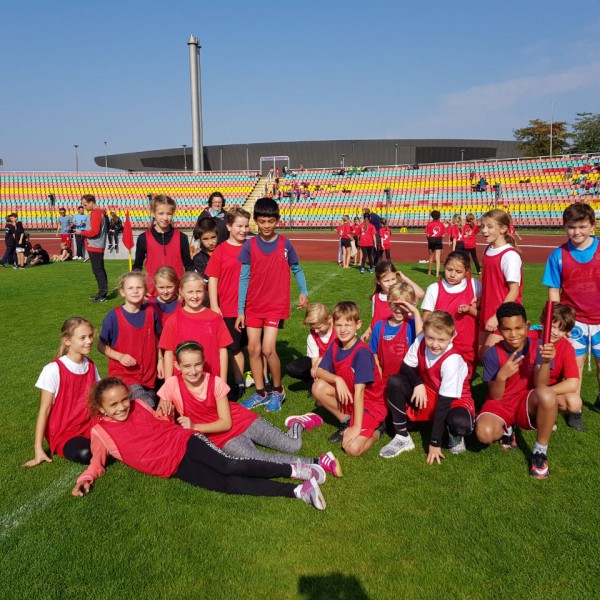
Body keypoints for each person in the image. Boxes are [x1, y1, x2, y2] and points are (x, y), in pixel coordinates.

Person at [71, 378, 327, 510]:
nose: (121, 407)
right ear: (100, 408)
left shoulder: (139, 405)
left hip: (184, 441)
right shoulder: (100, 432)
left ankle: (298, 470)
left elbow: (161, 423)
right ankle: (299, 491)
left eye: (123, 400)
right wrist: (86, 478)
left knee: (228, 465)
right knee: (226, 485)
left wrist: (168, 413)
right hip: (172, 467)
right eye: (113, 405)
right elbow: (96, 463)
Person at [157, 341, 341, 477]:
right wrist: (164, 406)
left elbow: (225, 422)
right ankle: (318, 462)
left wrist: (194, 427)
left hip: (239, 420)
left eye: (197, 364)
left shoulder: (215, 383)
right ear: (177, 366)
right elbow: (160, 414)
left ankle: (297, 424)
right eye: (187, 366)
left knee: (293, 446)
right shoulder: (172, 384)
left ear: (203, 361)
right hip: (222, 438)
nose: (193, 371)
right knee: (258, 458)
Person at [235, 197, 309, 412]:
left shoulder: (285, 244)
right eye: (262, 221)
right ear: (256, 221)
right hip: (253, 305)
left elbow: (297, 268)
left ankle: (277, 390)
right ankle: (261, 393)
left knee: (268, 349)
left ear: (277, 220)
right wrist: (240, 310)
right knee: (252, 348)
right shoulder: (249, 245)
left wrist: (303, 291)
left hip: (275, 305)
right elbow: (244, 278)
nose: (266, 225)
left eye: (270, 221)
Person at [475, 302, 558, 479]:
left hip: (526, 401)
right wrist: (502, 376)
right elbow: (495, 396)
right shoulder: (492, 353)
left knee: (548, 395)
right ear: (499, 330)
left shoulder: (541, 346)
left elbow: (541, 385)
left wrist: (544, 362)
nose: (513, 334)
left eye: (518, 328)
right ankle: (508, 429)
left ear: (527, 326)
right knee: (484, 434)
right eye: (507, 329)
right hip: (501, 403)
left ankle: (540, 453)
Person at [382, 311, 475, 461]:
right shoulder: (421, 340)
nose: (435, 344)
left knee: (460, 424)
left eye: (441, 340)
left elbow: (444, 402)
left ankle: (454, 434)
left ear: (452, 336)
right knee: (395, 381)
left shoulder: (452, 360)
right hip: (430, 391)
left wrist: (434, 442)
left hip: (455, 400)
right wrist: (418, 383)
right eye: (430, 338)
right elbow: (405, 366)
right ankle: (402, 437)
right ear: (424, 332)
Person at [542, 202, 600, 417]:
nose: (577, 232)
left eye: (582, 226)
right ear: (564, 226)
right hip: (574, 322)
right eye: (571, 227)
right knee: (575, 366)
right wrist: (559, 323)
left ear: (592, 226)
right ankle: (575, 409)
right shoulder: (557, 255)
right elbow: (554, 291)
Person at [312, 301, 387, 456]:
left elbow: (360, 392)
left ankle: (379, 429)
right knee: (317, 387)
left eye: (348, 325)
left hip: (370, 404)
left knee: (352, 448)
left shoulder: (362, 353)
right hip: (351, 397)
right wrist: (337, 380)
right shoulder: (335, 344)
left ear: (358, 325)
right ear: (333, 324)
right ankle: (346, 421)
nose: (343, 329)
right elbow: (318, 371)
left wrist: (357, 428)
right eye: (339, 325)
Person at [24, 317, 99, 467]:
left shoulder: (90, 365)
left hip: (89, 423)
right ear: (67, 341)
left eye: (90, 336)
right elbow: (44, 410)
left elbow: (98, 397)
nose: (89, 341)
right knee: (86, 453)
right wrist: (38, 448)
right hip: (64, 433)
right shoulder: (53, 369)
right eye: (83, 338)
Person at [206, 207, 251, 400]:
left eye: (246, 226)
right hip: (229, 307)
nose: (243, 230)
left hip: (252, 307)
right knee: (235, 347)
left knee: (254, 346)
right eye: (239, 226)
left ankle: (261, 379)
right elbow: (213, 279)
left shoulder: (252, 247)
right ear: (229, 226)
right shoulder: (221, 250)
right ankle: (239, 382)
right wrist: (214, 305)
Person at [98, 272, 161, 408]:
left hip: (149, 376)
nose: (135, 291)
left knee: (152, 406)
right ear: (122, 292)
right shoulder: (113, 316)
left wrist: (160, 360)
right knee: (147, 404)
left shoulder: (151, 312)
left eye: (139, 287)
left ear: (145, 290)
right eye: (130, 288)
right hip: (124, 375)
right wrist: (119, 356)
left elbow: (156, 340)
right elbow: (100, 345)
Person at [160, 272, 232, 382]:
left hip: (211, 379)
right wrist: (168, 383)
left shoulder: (215, 318)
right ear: (181, 292)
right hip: (182, 381)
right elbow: (169, 353)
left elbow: (223, 350)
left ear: (205, 292)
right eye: (190, 292)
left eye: (199, 291)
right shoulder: (173, 320)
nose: (195, 296)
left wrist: (223, 380)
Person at [422, 251, 480, 376]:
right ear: (444, 266)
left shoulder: (475, 285)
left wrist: (471, 310)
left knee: (464, 380)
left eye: (458, 272)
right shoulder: (434, 289)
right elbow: (426, 319)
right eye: (449, 269)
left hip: (468, 345)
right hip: (442, 346)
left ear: (466, 272)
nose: (452, 275)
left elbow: (485, 315)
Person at [478, 209, 522, 359]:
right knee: (481, 356)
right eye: (482, 226)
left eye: (489, 227)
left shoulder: (509, 256)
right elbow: (490, 281)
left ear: (503, 229)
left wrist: (497, 316)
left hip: (504, 313)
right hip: (487, 310)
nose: (484, 230)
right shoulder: (487, 250)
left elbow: (514, 291)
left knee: (491, 357)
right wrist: (478, 297)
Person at [133, 194, 194, 297]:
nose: (165, 218)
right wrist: (138, 287)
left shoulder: (182, 238)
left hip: (176, 294)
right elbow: (137, 267)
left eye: (169, 214)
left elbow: (189, 266)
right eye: (161, 213)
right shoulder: (143, 238)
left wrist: (189, 287)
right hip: (152, 295)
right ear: (153, 213)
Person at [534, 303, 583, 431]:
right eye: (553, 326)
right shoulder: (529, 336)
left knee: (575, 402)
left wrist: (544, 393)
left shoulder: (567, 348)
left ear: (567, 332)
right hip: (523, 388)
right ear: (542, 322)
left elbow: (573, 383)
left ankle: (548, 411)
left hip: (548, 391)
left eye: (561, 330)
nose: (555, 332)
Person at [369, 282, 422, 385]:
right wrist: (379, 374)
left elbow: (422, 340)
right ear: (389, 303)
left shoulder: (413, 324)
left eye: (404, 305)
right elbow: (373, 353)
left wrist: (415, 312)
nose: (399, 309)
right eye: (396, 305)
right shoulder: (380, 326)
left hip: (408, 382)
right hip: (384, 380)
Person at [361, 261, 424, 342]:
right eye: (386, 281)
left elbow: (420, 294)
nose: (391, 283)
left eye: (393, 279)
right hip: (381, 340)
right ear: (378, 281)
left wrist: (405, 278)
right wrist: (367, 332)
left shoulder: (403, 295)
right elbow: (375, 319)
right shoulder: (376, 298)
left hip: (402, 339)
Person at [286, 302, 336, 384]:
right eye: (313, 328)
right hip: (320, 363)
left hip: (337, 362)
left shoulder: (340, 330)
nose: (316, 331)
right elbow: (315, 362)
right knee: (292, 368)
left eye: (319, 327)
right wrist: (315, 377)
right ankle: (313, 382)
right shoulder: (312, 337)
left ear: (329, 319)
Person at [75, 194, 108, 303]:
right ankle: (101, 292)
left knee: (98, 270)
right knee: (98, 269)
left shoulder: (96, 213)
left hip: (95, 245)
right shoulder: (98, 212)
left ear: (91, 202)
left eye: (85, 205)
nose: (84, 207)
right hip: (96, 245)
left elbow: (95, 231)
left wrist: (81, 232)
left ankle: (102, 295)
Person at [192, 217, 219, 288]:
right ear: (200, 239)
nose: (210, 242)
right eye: (205, 239)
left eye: (213, 237)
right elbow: (204, 279)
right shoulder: (198, 258)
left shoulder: (224, 252)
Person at [425, 210, 446, 278]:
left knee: (431, 257)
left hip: (431, 240)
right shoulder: (441, 224)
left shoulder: (429, 224)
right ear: (439, 216)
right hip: (438, 240)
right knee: (438, 258)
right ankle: (437, 274)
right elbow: (443, 235)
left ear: (432, 216)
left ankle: (429, 271)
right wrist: (440, 238)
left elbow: (427, 234)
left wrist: (429, 240)